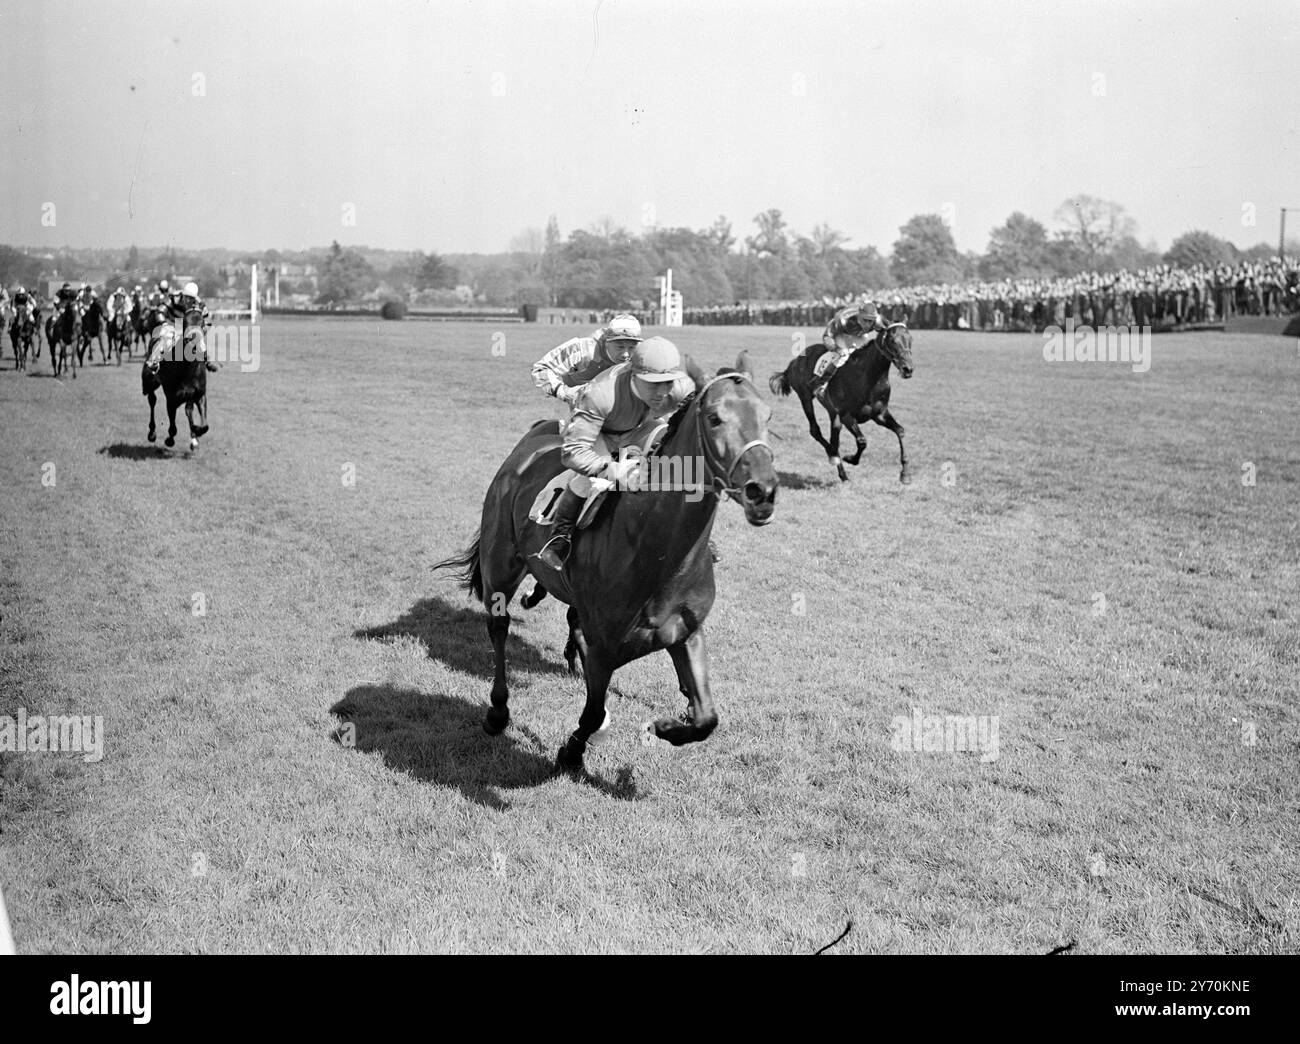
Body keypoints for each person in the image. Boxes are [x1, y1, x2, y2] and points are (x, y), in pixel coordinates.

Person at [536, 336, 697, 570]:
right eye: (652, 384)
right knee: (589, 480)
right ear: (633, 374)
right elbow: (573, 452)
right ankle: (559, 539)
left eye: (667, 382)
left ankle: (691, 534)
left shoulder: (681, 388)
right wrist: (610, 469)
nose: (662, 392)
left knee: (679, 468)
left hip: (642, 426)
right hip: (600, 432)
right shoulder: (600, 394)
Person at [531, 313, 643, 408]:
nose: (626, 354)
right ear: (607, 341)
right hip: (583, 408)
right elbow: (541, 369)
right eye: (620, 347)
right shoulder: (582, 349)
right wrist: (563, 392)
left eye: (631, 347)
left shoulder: (641, 355)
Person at [807, 300, 886, 404]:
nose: (868, 324)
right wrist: (835, 348)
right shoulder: (842, 319)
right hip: (841, 334)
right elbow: (827, 336)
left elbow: (888, 331)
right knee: (843, 355)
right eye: (865, 320)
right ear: (859, 316)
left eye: (870, 321)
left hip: (859, 335)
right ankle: (820, 384)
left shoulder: (878, 321)